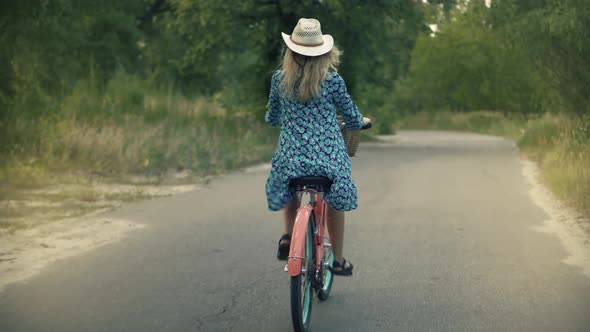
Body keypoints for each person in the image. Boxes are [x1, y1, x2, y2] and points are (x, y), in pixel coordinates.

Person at [265, 18, 369, 276]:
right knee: (334, 198)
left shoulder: (279, 80)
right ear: (324, 53)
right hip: (328, 161)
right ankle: (338, 261)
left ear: (291, 52)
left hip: (291, 159)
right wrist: (361, 122)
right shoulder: (333, 82)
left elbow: (273, 118)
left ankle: (288, 236)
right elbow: (353, 119)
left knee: (291, 184)